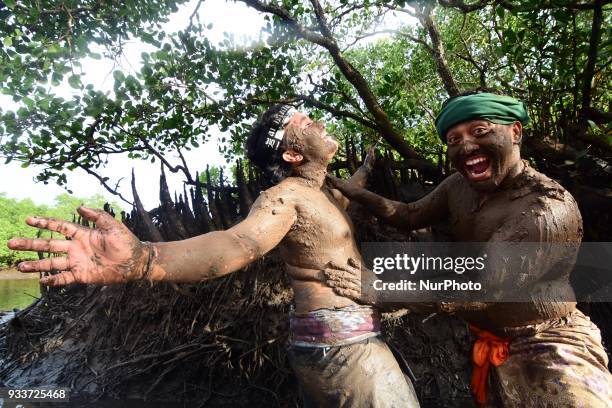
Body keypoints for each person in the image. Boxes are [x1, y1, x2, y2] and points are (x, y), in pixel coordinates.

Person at [7, 104, 419, 407]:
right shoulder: (286, 196)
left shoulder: (324, 193)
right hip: (341, 348)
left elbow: (348, 196)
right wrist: (143, 259)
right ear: (292, 156)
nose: (320, 122)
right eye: (307, 124)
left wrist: (366, 166)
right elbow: (238, 243)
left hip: (349, 339)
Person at [323, 90, 612, 407]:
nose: (466, 146)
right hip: (489, 344)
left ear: (515, 132)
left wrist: (380, 290)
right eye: (453, 139)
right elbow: (409, 215)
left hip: (551, 348)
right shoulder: (458, 186)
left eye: (480, 131)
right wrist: (355, 192)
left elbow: (479, 288)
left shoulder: (545, 209)